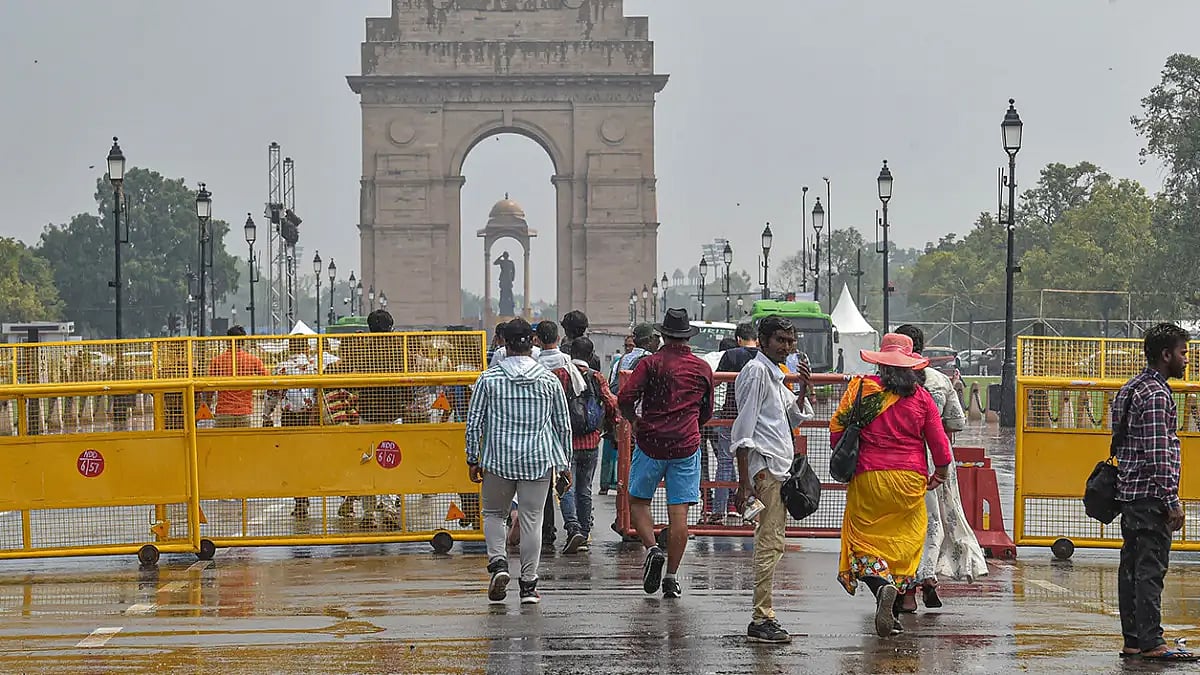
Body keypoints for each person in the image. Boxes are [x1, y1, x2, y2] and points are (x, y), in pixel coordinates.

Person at [831, 333, 951, 638]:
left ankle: (882, 588)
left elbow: (837, 434)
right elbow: (939, 443)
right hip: (910, 481)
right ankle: (894, 610)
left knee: (864, 543)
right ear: (911, 366)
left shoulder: (860, 389)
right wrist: (940, 472)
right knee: (904, 544)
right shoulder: (922, 398)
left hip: (869, 478)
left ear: (881, 364)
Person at [467, 318, 573, 605]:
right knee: (532, 521)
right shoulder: (549, 380)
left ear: (504, 342)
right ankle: (528, 586)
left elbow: (474, 422)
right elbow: (563, 426)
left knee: (493, 514)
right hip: (537, 461)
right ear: (533, 342)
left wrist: (472, 458)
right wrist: (565, 464)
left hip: (498, 458)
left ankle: (499, 564)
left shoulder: (488, 379)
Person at [1112, 323, 1194, 661]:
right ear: (1165, 355)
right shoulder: (1158, 394)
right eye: (1183, 352)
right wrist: (1171, 501)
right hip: (1151, 498)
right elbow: (1159, 453)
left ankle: (1134, 639)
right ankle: (1152, 642)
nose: (1186, 359)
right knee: (1150, 571)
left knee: (1130, 568)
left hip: (1129, 495)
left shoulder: (1131, 388)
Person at [618, 308, 713, 599]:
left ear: (663, 335)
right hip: (686, 444)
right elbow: (706, 411)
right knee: (679, 514)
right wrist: (690, 425)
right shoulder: (702, 368)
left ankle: (652, 548)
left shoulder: (651, 364)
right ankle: (671, 577)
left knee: (638, 501)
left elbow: (625, 398)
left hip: (650, 442)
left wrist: (634, 421)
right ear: (687, 338)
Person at [733, 317, 814, 643]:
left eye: (790, 341)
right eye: (780, 340)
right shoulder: (756, 373)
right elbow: (743, 430)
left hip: (776, 468)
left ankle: (764, 613)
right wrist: (744, 482)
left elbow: (789, 418)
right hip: (765, 469)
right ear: (763, 341)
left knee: (774, 543)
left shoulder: (774, 376)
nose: (787, 347)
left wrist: (804, 389)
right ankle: (761, 616)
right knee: (769, 543)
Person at [893, 325, 984, 613]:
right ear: (922, 347)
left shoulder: (885, 382)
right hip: (935, 463)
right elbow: (957, 423)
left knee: (903, 527)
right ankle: (927, 578)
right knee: (934, 525)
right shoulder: (937, 381)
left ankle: (906, 591)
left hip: (894, 462)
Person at [552, 337, 618, 553]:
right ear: (591, 356)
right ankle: (585, 531)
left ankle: (573, 529)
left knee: (566, 486)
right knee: (584, 488)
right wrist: (610, 426)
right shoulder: (596, 377)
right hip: (591, 441)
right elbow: (611, 403)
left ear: (570, 353)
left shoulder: (560, 375)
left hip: (566, 443)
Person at [708, 322, 761, 524]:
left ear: (738, 339)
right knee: (754, 465)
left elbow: (717, 381)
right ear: (755, 338)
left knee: (725, 462)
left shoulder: (731, 355)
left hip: (731, 415)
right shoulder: (763, 357)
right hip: (756, 419)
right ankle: (752, 512)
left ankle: (719, 511)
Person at [599, 333, 641, 495]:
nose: (629, 349)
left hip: (630, 411)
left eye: (631, 346)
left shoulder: (639, 362)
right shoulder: (619, 362)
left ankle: (623, 485)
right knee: (612, 448)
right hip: (618, 408)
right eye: (627, 346)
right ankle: (606, 484)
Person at [204, 325, 268, 428]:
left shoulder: (217, 361)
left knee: (222, 443)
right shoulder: (252, 360)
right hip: (244, 411)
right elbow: (267, 378)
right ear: (243, 341)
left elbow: (210, 388)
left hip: (223, 411)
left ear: (227, 341)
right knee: (242, 443)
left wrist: (207, 405)